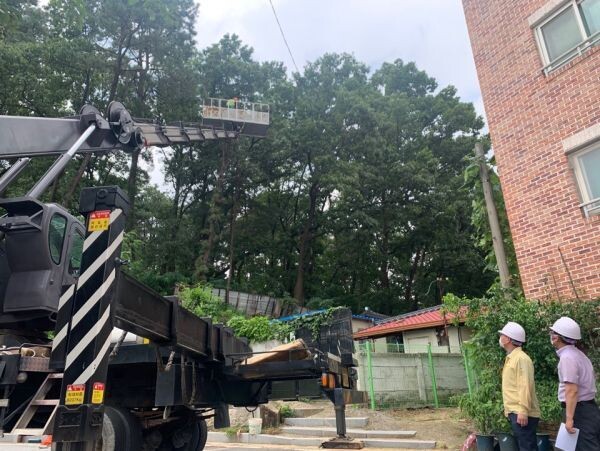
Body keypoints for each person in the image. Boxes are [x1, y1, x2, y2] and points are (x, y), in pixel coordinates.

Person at [550, 317, 600, 450]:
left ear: (558, 337)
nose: (551, 335)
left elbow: (571, 390)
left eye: (553, 333)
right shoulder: (579, 355)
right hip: (588, 409)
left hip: (579, 411)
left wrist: (569, 418)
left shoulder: (567, 358)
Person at [499, 321, 540, 451]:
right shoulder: (512, 357)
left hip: (521, 412)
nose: (500, 337)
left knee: (527, 447)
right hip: (515, 411)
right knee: (524, 446)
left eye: (502, 335)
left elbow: (525, 386)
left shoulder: (521, 358)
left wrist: (523, 410)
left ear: (508, 339)